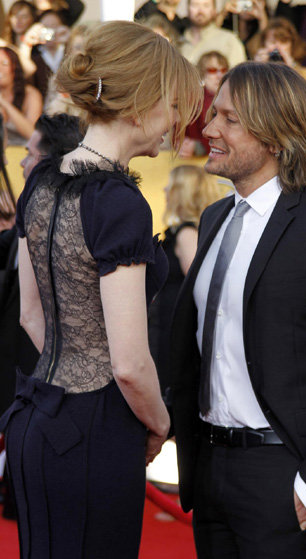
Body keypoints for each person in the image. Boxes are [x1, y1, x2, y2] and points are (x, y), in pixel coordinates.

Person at [0, 19, 202, 559]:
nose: (178, 121)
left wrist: (69, 382)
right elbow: (131, 365)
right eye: (174, 104)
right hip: (94, 433)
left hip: (35, 421)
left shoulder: (40, 181)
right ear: (139, 104)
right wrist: (160, 425)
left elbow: (31, 316)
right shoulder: (119, 203)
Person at [170, 61, 306, 559]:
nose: (209, 129)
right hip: (210, 468)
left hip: (283, 473)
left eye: (229, 119)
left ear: (274, 137)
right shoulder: (214, 218)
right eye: (213, 114)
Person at [0, 112, 83, 520]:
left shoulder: (68, 222)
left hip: (46, 379)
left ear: (51, 162)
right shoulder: (28, 216)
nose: (21, 162)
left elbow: (36, 315)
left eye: (30, 155)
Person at [148, 165, 224, 400]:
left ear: (183, 191)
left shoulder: (186, 233)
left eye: (170, 184)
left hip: (172, 329)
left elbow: (198, 281)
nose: (164, 188)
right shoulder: (184, 231)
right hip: (166, 324)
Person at [180, 50, 229, 157]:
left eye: (223, 70)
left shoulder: (236, 99)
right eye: (212, 70)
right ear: (202, 73)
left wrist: (200, 146)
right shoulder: (192, 99)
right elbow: (178, 134)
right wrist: (185, 144)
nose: (219, 75)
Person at [180, 0, 247, 68]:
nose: (200, 11)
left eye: (206, 5)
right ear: (188, 9)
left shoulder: (230, 40)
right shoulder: (178, 40)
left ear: (214, 11)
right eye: (195, 5)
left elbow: (238, 76)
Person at [253, 16, 306, 88]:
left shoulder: (305, 74)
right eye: (273, 42)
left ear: (292, 45)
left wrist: (291, 70)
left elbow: (304, 97)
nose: (277, 48)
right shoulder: (254, 69)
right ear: (263, 44)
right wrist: (256, 68)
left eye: (283, 42)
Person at [0, 46, 42, 144]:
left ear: (15, 67)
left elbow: (31, 134)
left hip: (24, 152)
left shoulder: (31, 94)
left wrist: (3, 103)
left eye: (4, 63)